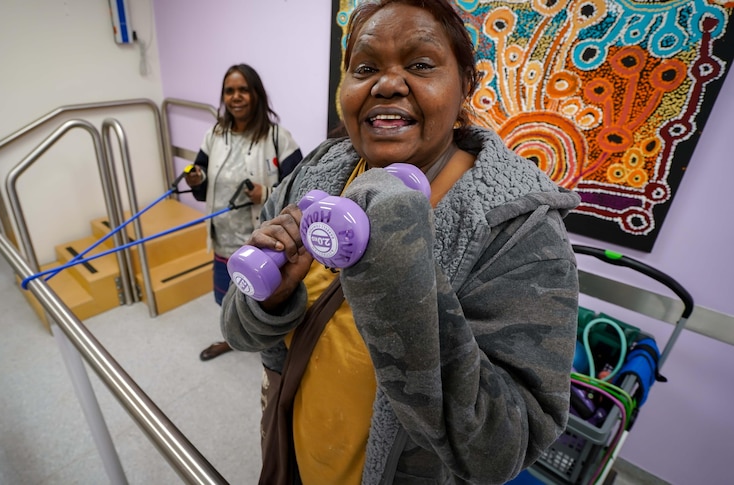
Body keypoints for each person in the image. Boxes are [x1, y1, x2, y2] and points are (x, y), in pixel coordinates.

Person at [220, 1, 581, 484]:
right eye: (364, 68)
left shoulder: (521, 230)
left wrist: (400, 274)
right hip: (292, 451)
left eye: (420, 65)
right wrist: (274, 297)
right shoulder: (316, 174)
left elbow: (501, 449)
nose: (387, 84)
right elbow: (238, 333)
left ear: (466, 86)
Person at [186, 63, 303, 362]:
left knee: (263, 299)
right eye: (229, 91)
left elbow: (299, 193)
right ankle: (233, 339)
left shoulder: (278, 138)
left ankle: (271, 349)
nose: (236, 97)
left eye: (243, 90)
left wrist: (264, 194)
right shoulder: (215, 135)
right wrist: (196, 178)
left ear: (256, 94)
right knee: (227, 297)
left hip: (262, 244)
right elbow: (201, 183)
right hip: (224, 238)